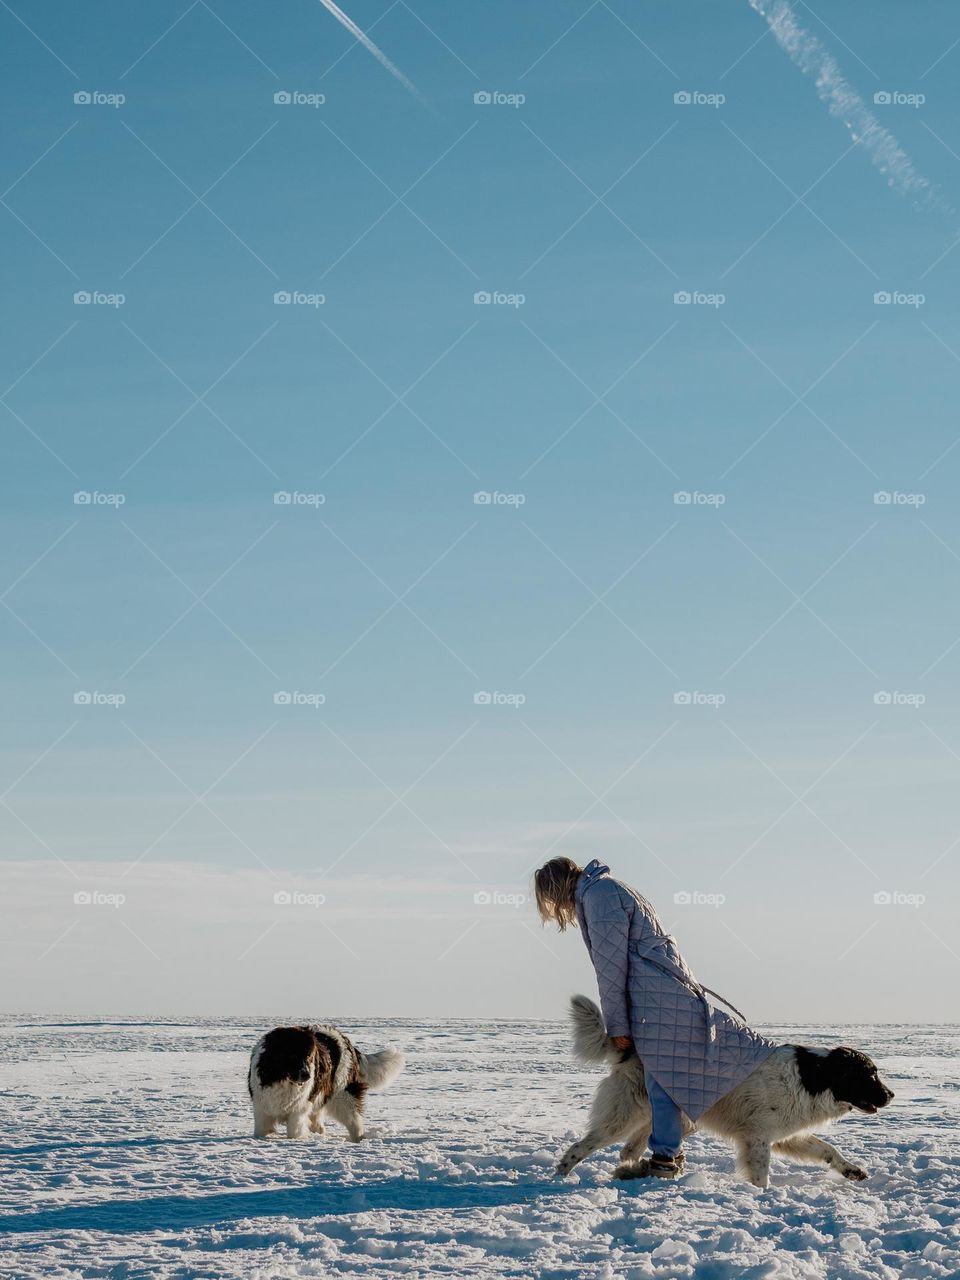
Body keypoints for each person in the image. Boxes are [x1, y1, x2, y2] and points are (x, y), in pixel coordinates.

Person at [534, 856, 776, 1179]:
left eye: (549, 899)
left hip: (657, 1000)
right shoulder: (606, 889)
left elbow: (611, 969)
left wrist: (617, 1026)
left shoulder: (598, 898)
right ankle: (667, 1150)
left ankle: (665, 1156)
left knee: (662, 1078)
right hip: (666, 993)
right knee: (668, 1075)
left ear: (557, 888)